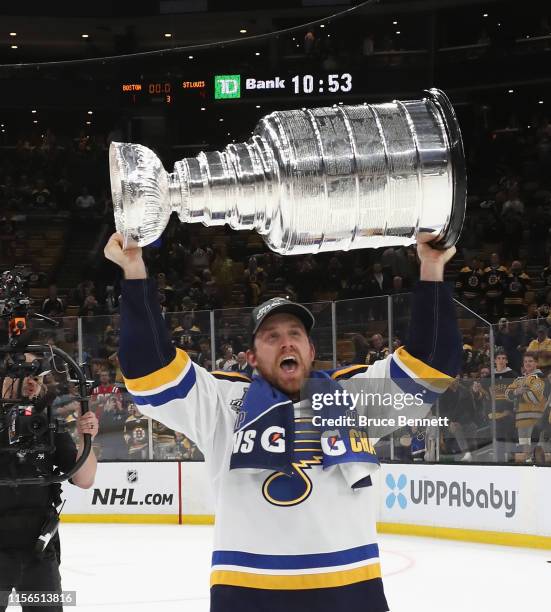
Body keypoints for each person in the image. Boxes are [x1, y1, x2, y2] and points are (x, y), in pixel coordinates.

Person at [105, 231, 461, 612]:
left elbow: (433, 365)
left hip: (351, 589)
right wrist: (135, 270)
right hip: (247, 592)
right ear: (252, 358)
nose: (286, 342)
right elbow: (149, 369)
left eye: (295, 334)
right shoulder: (222, 403)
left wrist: (431, 268)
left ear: (311, 350)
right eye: (272, 336)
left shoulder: (355, 397)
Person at [0, 355, 98, 612]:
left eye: (37, 377)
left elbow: (84, 479)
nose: (32, 383)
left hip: (37, 548)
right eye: (24, 375)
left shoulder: (47, 426)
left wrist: (85, 439)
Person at [506, 352, 546, 459]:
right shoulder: (519, 379)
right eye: (525, 361)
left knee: (536, 448)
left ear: (536, 363)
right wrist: (516, 392)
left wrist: (518, 393)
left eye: (530, 361)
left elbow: (534, 397)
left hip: (535, 419)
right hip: (521, 419)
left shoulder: (539, 377)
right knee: (525, 449)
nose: (527, 363)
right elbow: (508, 394)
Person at [486, 351, 518, 462]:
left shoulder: (513, 375)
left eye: (503, 358)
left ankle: (512, 460)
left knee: (510, 438)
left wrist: (511, 409)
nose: (501, 360)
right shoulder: (489, 376)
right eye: (498, 358)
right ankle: (499, 462)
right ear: (495, 361)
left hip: (508, 413)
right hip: (494, 414)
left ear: (507, 361)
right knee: (497, 440)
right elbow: (487, 395)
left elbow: (516, 394)